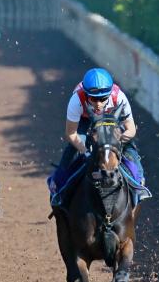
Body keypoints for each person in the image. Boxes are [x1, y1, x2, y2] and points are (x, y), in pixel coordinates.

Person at [49, 67, 149, 207]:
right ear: (86, 94)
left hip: (112, 118)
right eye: (94, 99)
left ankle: (138, 183)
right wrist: (85, 151)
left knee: (130, 148)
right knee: (75, 147)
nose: (98, 104)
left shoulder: (119, 97)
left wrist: (116, 142)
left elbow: (131, 129)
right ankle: (58, 186)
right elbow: (70, 134)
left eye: (103, 99)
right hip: (85, 119)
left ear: (109, 94)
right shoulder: (76, 100)